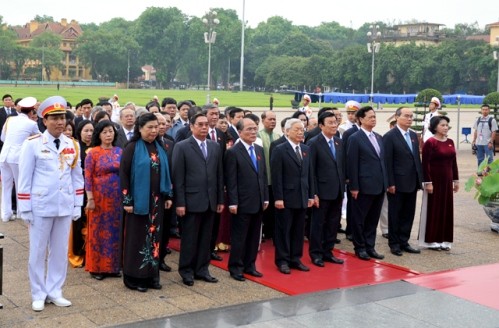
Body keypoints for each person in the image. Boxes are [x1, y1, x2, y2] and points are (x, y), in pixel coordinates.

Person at [18, 96, 84, 311]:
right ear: (44, 121)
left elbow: (77, 177)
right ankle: (38, 292)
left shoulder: (72, 145)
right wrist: (25, 207)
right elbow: (24, 179)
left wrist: (77, 205)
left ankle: (55, 290)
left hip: (63, 205)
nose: (60, 122)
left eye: (62, 117)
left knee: (59, 251)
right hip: (40, 206)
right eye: (54, 118)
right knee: (37, 252)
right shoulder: (33, 144)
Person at [120, 113, 173, 292]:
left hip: (157, 201)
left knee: (155, 239)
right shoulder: (132, 147)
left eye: (156, 127)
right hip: (138, 202)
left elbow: (166, 173)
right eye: (149, 127)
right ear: (140, 128)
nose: (153, 130)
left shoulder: (160, 147)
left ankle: (152, 275)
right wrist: (127, 200)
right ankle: (134, 277)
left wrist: (168, 196)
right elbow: (124, 175)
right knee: (137, 239)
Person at [172, 113, 224, 287]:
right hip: (190, 201)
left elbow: (219, 175)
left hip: (210, 201)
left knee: (206, 238)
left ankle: (202, 269)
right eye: (200, 124)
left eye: (206, 124)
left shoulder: (215, 146)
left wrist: (220, 200)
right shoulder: (182, 146)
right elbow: (178, 177)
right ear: (191, 126)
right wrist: (180, 203)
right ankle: (186, 271)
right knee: (190, 238)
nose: (204, 127)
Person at [225, 118, 268, 281]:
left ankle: (250, 265)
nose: (252, 132)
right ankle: (235, 267)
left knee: (253, 236)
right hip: (242, 202)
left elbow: (262, 176)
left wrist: (265, 198)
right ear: (240, 132)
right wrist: (233, 202)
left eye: (254, 129)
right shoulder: (233, 152)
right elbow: (231, 180)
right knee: (239, 237)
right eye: (249, 129)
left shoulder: (258, 149)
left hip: (258, 201)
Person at [271, 118, 314, 274]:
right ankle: (282, 260)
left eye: (302, 129)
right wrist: (278, 198)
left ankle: (295, 258)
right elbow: (277, 177)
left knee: (298, 230)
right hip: (286, 197)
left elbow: (309, 175)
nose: (300, 132)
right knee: (284, 230)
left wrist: (310, 195)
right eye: (296, 129)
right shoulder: (279, 149)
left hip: (302, 196)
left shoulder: (306, 149)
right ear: (287, 131)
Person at [346, 106, 388, 261]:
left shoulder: (378, 137)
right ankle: (360, 247)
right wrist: (354, 186)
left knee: (372, 219)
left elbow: (382, 161)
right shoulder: (355, 138)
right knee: (359, 219)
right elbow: (352, 164)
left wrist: (386, 182)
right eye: (370, 117)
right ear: (361, 119)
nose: (373, 119)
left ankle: (370, 246)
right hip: (363, 186)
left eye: (374, 116)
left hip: (379, 185)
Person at [84, 121, 123, 280]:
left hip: (116, 197)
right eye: (105, 132)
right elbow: (87, 177)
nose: (109, 135)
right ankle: (97, 267)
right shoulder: (93, 153)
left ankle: (113, 266)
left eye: (111, 132)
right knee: (98, 231)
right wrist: (90, 198)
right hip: (99, 197)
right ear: (99, 134)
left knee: (115, 231)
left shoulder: (120, 151)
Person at [383, 108, 423, 256]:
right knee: (395, 214)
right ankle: (394, 244)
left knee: (408, 213)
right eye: (406, 116)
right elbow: (387, 162)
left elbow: (416, 159)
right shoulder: (390, 136)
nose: (409, 119)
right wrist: (390, 183)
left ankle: (404, 241)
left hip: (412, 182)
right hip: (397, 183)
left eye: (411, 116)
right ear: (397, 117)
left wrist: (420, 179)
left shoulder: (413, 135)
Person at [307, 112, 345, 267]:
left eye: (335, 122)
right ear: (321, 125)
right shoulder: (314, 143)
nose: (334, 125)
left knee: (333, 223)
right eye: (330, 122)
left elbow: (341, 166)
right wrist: (314, 193)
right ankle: (316, 254)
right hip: (321, 192)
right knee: (318, 224)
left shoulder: (338, 142)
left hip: (337, 190)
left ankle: (328, 252)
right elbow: (311, 170)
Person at [419, 116, 459, 251]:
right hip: (434, 181)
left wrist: (456, 180)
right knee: (434, 209)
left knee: (446, 208)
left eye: (447, 125)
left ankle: (445, 239)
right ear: (435, 127)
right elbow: (425, 164)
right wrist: (428, 182)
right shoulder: (430, 143)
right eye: (442, 125)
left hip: (447, 181)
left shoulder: (451, 142)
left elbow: (453, 162)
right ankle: (432, 240)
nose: (445, 127)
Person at [0, 97, 40, 222]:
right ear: (31, 112)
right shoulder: (32, 123)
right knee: (20, 185)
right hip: (17, 157)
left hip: (4, 155)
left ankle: (6, 214)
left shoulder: (10, 120)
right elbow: (41, 139)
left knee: (6, 185)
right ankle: (21, 212)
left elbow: (2, 138)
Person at [68, 120, 94, 268]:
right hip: (79, 191)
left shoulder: (98, 148)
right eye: (86, 131)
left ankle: (91, 253)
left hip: (94, 191)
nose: (89, 134)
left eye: (91, 130)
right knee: (78, 223)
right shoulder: (75, 148)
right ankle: (77, 254)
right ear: (79, 132)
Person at [258, 111, 280, 241]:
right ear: (263, 120)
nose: (273, 121)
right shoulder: (258, 137)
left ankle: (272, 231)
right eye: (270, 119)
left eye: (274, 119)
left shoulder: (278, 136)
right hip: (264, 178)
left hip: (275, 179)